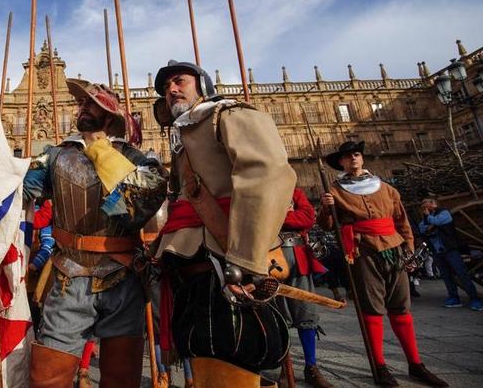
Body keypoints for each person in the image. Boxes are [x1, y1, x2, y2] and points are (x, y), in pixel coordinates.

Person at [152, 60, 295, 387]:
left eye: (179, 81)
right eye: (165, 87)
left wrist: (245, 258)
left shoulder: (226, 114)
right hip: (194, 262)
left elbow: (266, 173)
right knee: (207, 350)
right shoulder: (185, 134)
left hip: (225, 258)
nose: (171, 90)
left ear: (201, 84)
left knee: (234, 347)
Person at [23, 78, 167, 388]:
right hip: (67, 276)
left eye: (92, 103)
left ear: (110, 114)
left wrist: (101, 149)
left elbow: (143, 201)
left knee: (121, 377)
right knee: (48, 378)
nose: (82, 108)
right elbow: (21, 192)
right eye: (81, 103)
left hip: (124, 276)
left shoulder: (136, 158)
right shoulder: (53, 156)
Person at [319, 141, 447, 387]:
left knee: (400, 307)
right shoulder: (334, 191)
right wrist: (325, 209)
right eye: (348, 156)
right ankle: (379, 366)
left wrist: (409, 249)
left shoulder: (387, 189)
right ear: (341, 162)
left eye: (356, 154)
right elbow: (326, 225)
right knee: (372, 309)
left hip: (394, 250)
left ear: (362, 158)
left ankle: (416, 364)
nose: (353, 159)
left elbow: (402, 222)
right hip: (363, 252)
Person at [276, 188, 331, 388]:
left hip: (299, 255)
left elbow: (307, 218)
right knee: (279, 315)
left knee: (306, 312)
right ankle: (285, 367)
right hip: (271, 257)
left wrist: (277, 215)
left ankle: (311, 367)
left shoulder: (294, 190)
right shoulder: (258, 188)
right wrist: (288, 215)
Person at [418, 198, 481, 311]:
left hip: (450, 250)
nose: (423, 205)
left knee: (462, 274)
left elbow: (437, 222)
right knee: (446, 276)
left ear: (434, 204)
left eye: (425, 203)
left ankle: (474, 298)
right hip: (437, 252)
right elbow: (422, 229)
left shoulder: (444, 213)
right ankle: (453, 297)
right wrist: (429, 222)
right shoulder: (426, 218)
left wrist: (429, 219)